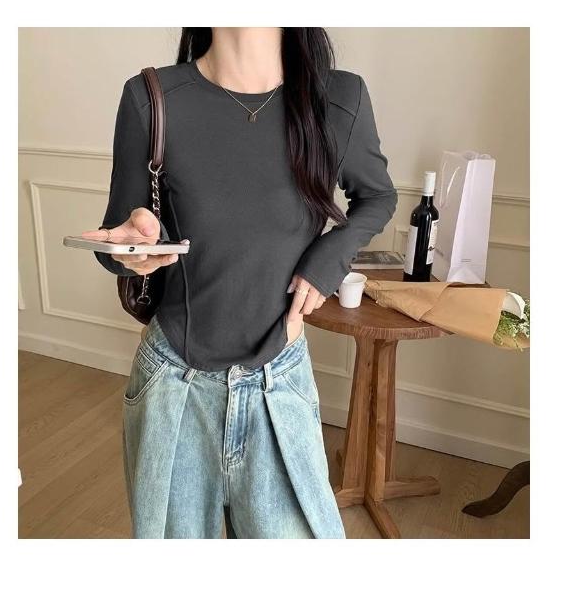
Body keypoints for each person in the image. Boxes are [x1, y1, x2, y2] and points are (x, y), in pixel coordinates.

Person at [81, 27, 397, 539]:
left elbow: (377, 196)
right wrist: (132, 250)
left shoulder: (340, 97)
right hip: (173, 386)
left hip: (280, 380)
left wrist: (326, 260)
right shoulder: (151, 98)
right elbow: (116, 243)